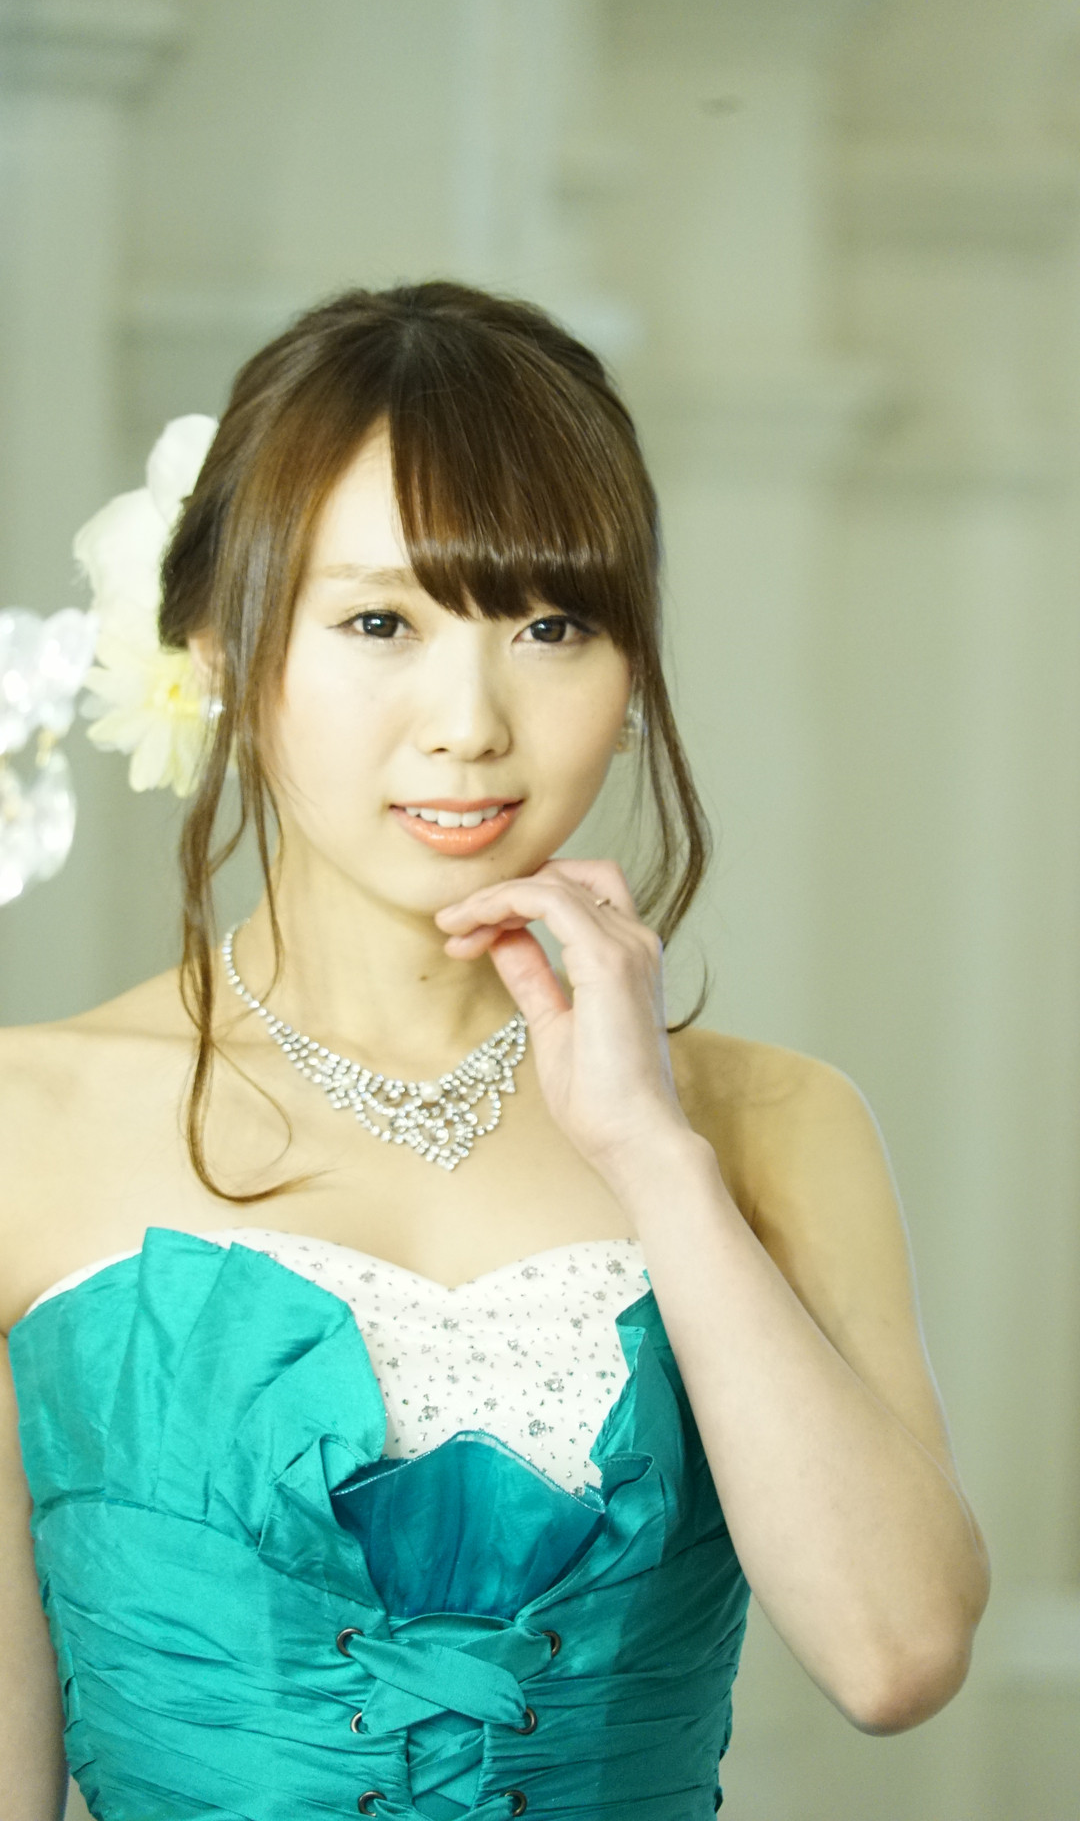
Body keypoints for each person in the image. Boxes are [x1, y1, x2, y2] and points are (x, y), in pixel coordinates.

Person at [0, 282, 989, 1821]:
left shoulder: (778, 1120)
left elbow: (895, 1656)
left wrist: (654, 1155)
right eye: (379, 623)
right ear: (222, 643)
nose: (469, 723)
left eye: (550, 626)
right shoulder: (26, 1124)